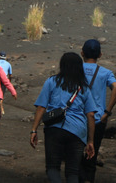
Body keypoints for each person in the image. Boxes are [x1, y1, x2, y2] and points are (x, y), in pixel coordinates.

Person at [30, 52, 97, 183]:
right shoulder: (83, 87)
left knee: (53, 168)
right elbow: (91, 115)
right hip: (78, 132)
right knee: (73, 172)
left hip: (54, 129)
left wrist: (34, 130)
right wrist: (90, 141)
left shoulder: (51, 81)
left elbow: (41, 107)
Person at [80, 39, 116, 183]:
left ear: (82, 53)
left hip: (77, 118)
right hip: (97, 119)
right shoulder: (105, 72)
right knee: (92, 153)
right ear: (100, 55)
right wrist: (107, 112)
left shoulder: (76, 69)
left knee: (76, 153)